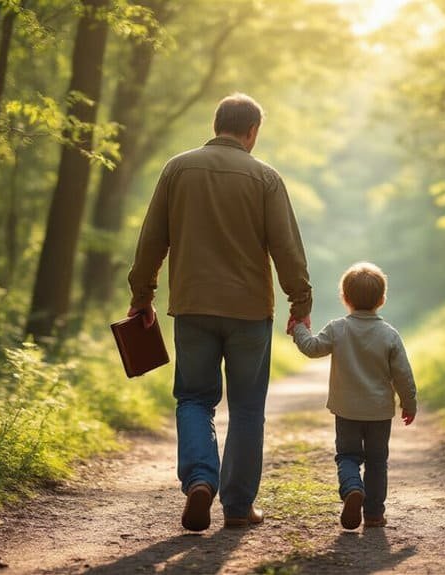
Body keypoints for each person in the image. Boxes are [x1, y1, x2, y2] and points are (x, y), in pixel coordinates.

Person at [127, 93, 312, 532]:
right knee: (247, 408)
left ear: (216, 125)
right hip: (249, 311)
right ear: (252, 132)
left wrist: (142, 294)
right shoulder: (265, 177)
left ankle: (199, 480)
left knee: (194, 398)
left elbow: (153, 237)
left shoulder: (177, 168)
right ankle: (237, 506)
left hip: (191, 305)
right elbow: (286, 248)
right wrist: (299, 303)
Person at [289, 262, 417, 530]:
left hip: (346, 410)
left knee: (347, 456)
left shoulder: (338, 328)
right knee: (376, 461)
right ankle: (373, 515)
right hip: (379, 412)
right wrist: (409, 403)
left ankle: (351, 490)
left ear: (345, 298)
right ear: (382, 299)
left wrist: (299, 327)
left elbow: (312, 348)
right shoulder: (389, 334)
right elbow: (402, 374)